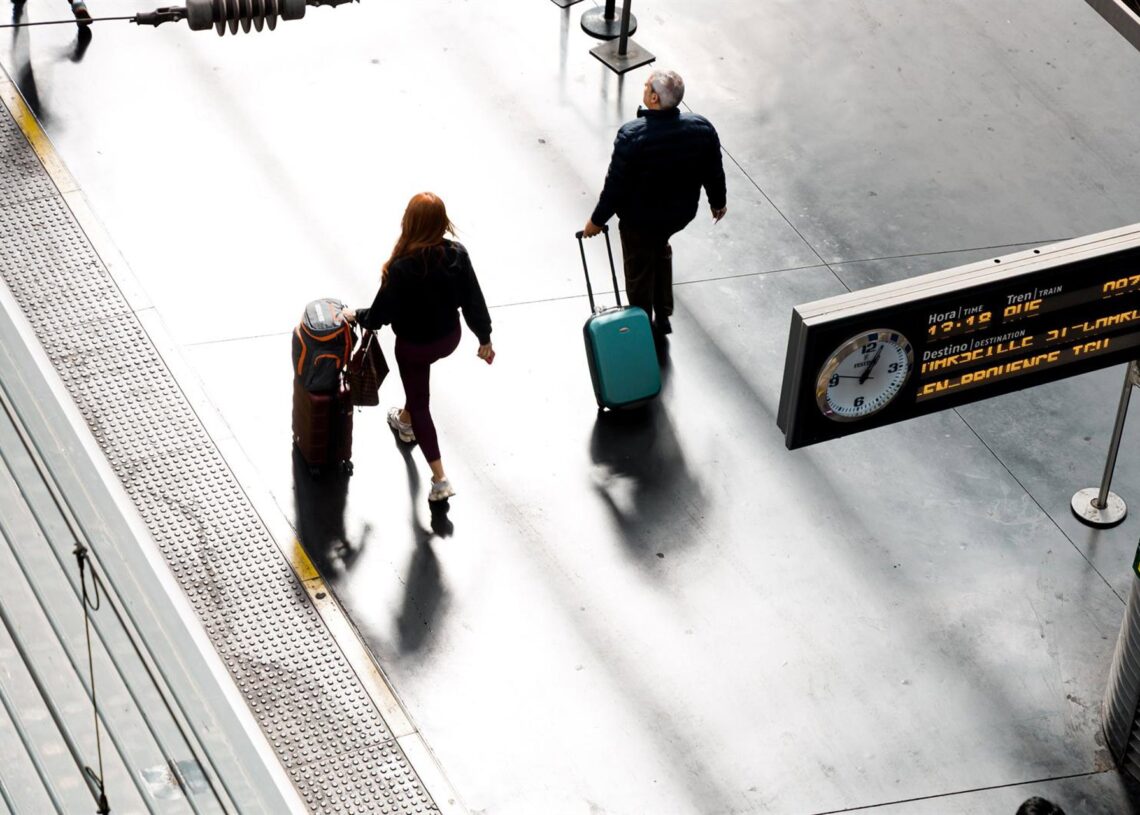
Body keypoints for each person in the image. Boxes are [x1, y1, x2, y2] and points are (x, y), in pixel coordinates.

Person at [344, 193, 494, 502]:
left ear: (409, 222)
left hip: (414, 346)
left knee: (420, 399)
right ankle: (404, 420)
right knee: (416, 393)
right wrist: (485, 338)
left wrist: (355, 315)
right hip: (448, 338)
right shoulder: (457, 254)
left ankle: (439, 479)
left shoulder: (401, 267)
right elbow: (473, 300)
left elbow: (378, 317)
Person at [583, 69, 727, 339]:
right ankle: (663, 314)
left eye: (647, 85)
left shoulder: (633, 135)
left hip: (640, 221)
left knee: (638, 269)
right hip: (678, 215)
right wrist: (718, 201)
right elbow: (713, 170)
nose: (644, 88)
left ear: (653, 97)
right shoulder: (701, 128)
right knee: (659, 248)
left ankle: (641, 323)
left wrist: (596, 221)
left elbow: (615, 187)